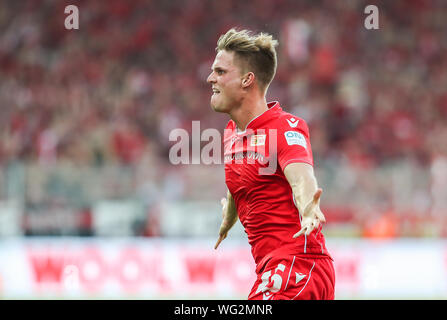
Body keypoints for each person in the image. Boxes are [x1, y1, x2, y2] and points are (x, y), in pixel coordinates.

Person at [207, 28, 335, 300]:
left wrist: (309, 209)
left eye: (220, 72)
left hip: (297, 266)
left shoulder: (286, 128)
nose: (211, 78)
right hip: (274, 270)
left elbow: (301, 178)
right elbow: (241, 183)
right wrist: (229, 218)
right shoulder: (232, 133)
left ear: (247, 80)